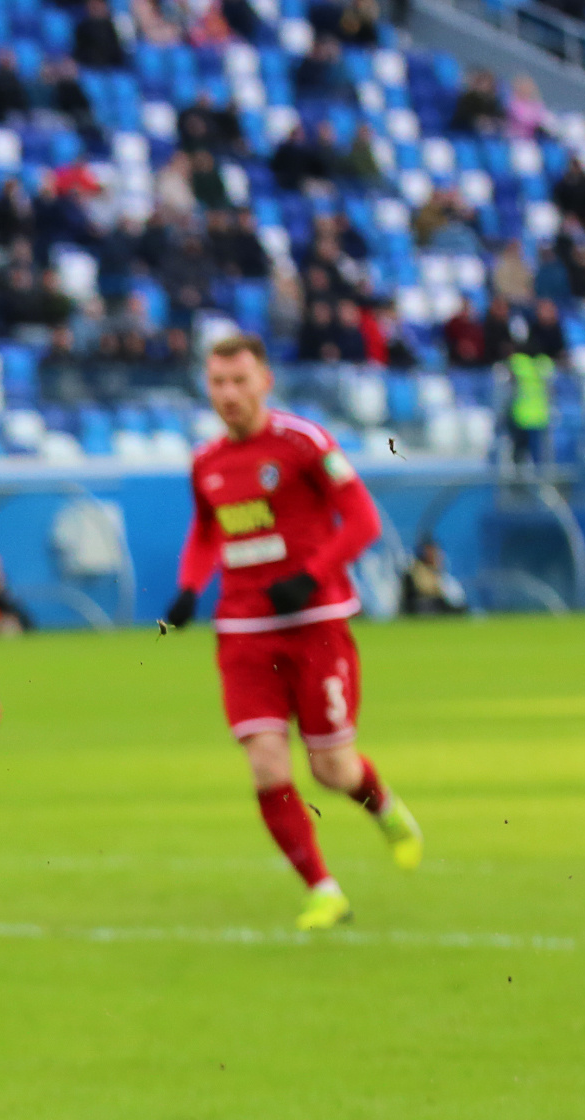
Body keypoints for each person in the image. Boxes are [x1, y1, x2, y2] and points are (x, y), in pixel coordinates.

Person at [164, 334, 424, 930]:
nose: (228, 394)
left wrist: (310, 577)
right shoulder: (205, 462)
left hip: (316, 625)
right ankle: (323, 889)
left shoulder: (303, 443)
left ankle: (383, 807)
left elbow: (362, 519)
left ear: (265, 382)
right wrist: (188, 586)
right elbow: (207, 533)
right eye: (218, 383)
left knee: (332, 770)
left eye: (239, 381)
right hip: (243, 630)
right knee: (266, 762)